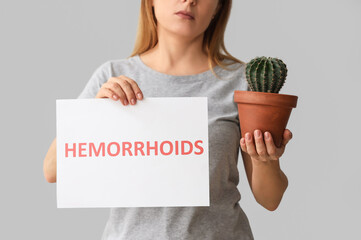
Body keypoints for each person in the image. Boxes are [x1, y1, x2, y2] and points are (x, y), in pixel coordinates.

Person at [43, 0, 292, 239]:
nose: (189, 1)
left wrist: (266, 160)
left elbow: (270, 199)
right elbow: (52, 170)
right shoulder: (112, 76)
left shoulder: (242, 82)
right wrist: (97, 114)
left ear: (218, 7)